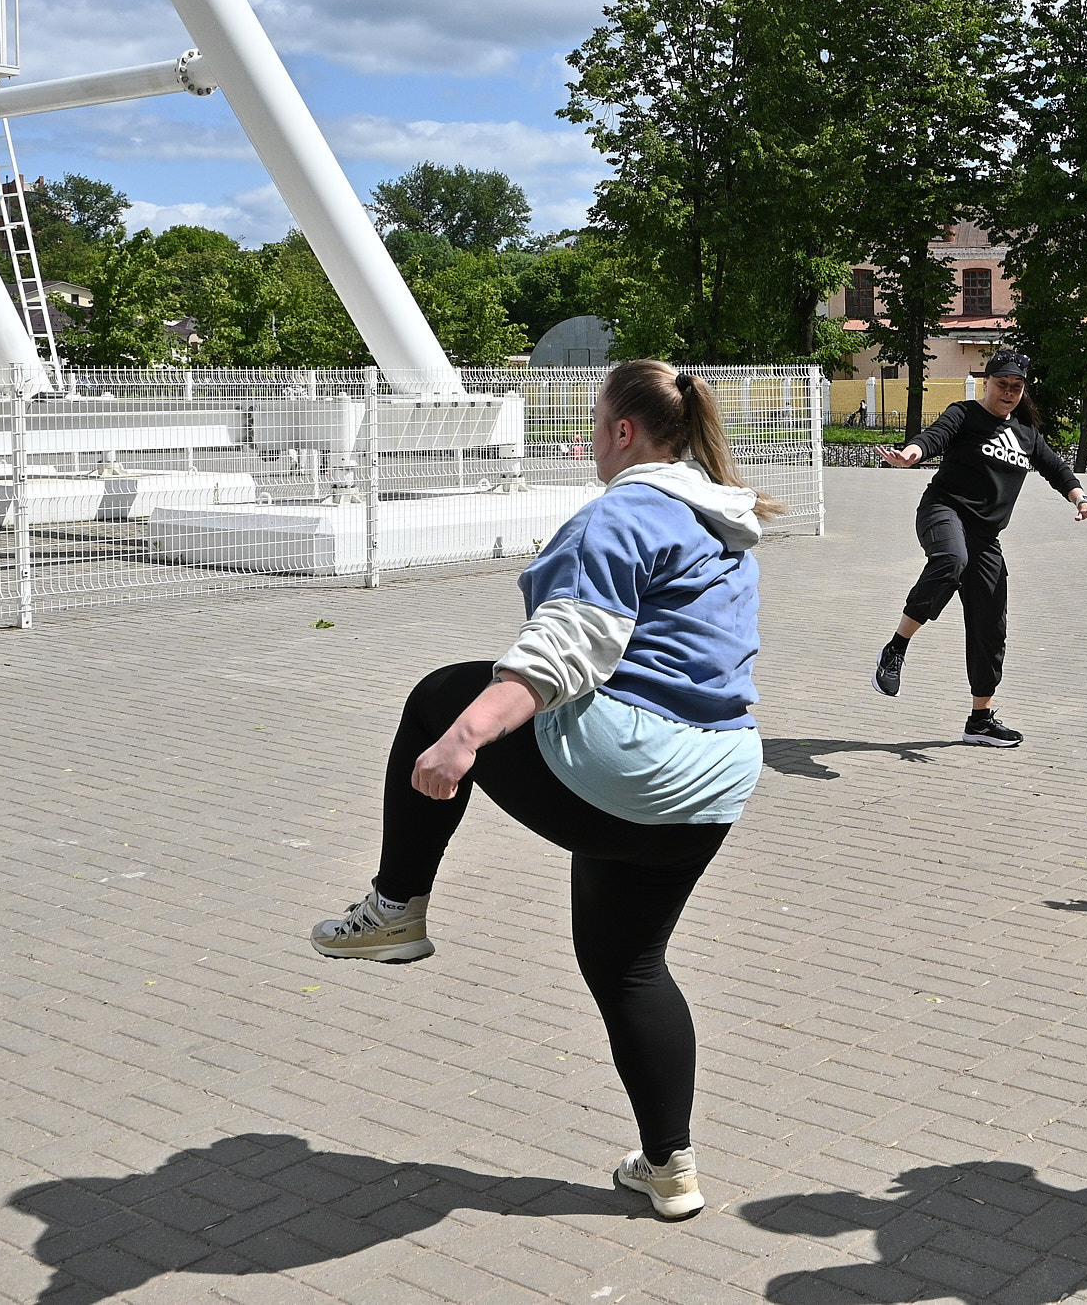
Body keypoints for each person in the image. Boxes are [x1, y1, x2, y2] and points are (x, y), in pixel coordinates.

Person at [309, 361, 775, 1222]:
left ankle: (396, 906)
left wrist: (464, 738)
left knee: (442, 693)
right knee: (629, 964)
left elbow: (567, 645)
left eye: (595, 424)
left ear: (624, 432)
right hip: (715, 780)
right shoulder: (727, 522)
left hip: (634, 768)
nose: (590, 440)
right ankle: (670, 1168)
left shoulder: (626, 509)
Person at [873, 349, 1087, 745]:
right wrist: (911, 454)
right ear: (987, 382)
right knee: (951, 560)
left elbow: (1056, 469)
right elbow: (934, 437)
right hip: (944, 512)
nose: (1009, 392)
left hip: (985, 537)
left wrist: (1081, 500)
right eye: (1002, 384)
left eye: (1017, 387)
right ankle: (896, 647)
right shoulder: (964, 414)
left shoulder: (1026, 433)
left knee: (990, 624)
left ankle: (979, 720)